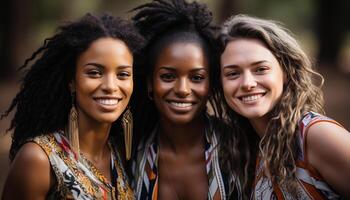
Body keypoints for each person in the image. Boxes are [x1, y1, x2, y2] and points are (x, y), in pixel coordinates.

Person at [1, 13, 144, 199]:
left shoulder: (122, 154)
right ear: (72, 81)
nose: (110, 86)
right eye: (94, 73)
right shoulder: (38, 159)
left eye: (123, 74)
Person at [217, 14, 350, 199]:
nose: (247, 83)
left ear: (286, 71)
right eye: (232, 73)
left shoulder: (316, 135)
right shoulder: (247, 148)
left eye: (261, 69)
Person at [130, 0, 245, 199]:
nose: (183, 90)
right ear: (150, 83)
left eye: (197, 78)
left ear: (211, 84)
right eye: (168, 76)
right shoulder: (129, 153)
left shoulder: (239, 147)